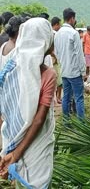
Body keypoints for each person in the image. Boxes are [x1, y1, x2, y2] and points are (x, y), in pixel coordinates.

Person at [0, 18, 56, 188]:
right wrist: (16, 155)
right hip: (35, 143)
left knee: (20, 182)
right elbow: (38, 120)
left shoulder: (10, 69)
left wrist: (12, 153)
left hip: (12, 138)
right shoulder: (48, 74)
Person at [54, 8, 86, 125]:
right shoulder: (73, 33)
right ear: (72, 18)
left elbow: (56, 53)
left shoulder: (57, 34)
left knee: (66, 97)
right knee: (79, 98)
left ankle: (66, 123)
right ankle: (82, 124)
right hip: (74, 72)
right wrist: (83, 71)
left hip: (64, 72)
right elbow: (79, 54)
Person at [51, 17, 63, 104]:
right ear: (56, 24)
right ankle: (57, 98)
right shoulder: (54, 34)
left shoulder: (50, 33)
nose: (60, 26)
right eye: (59, 24)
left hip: (53, 59)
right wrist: (54, 56)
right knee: (58, 80)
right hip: (55, 60)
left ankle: (56, 98)